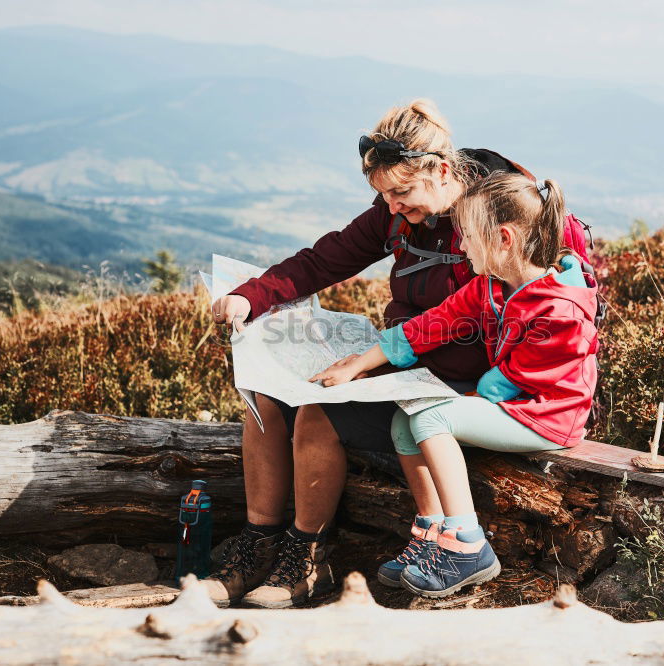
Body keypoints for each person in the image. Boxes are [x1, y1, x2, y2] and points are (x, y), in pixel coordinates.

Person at [206, 98, 563, 609]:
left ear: (441, 170)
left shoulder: (508, 210)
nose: (393, 207)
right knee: (263, 397)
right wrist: (250, 295)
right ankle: (258, 544)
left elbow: (558, 296)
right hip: (404, 368)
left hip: (468, 388)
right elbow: (322, 259)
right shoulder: (399, 214)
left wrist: (377, 361)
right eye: (384, 195)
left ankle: (307, 558)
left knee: (317, 411)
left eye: (401, 192)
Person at [309, 172, 599, 598]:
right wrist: (360, 364)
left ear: (502, 239)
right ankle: (432, 531)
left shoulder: (563, 308)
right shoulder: (491, 287)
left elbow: (519, 380)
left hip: (548, 417)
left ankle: (467, 545)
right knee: (405, 422)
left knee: (431, 414)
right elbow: (433, 324)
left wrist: (463, 399)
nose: (460, 247)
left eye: (467, 237)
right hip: (514, 407)